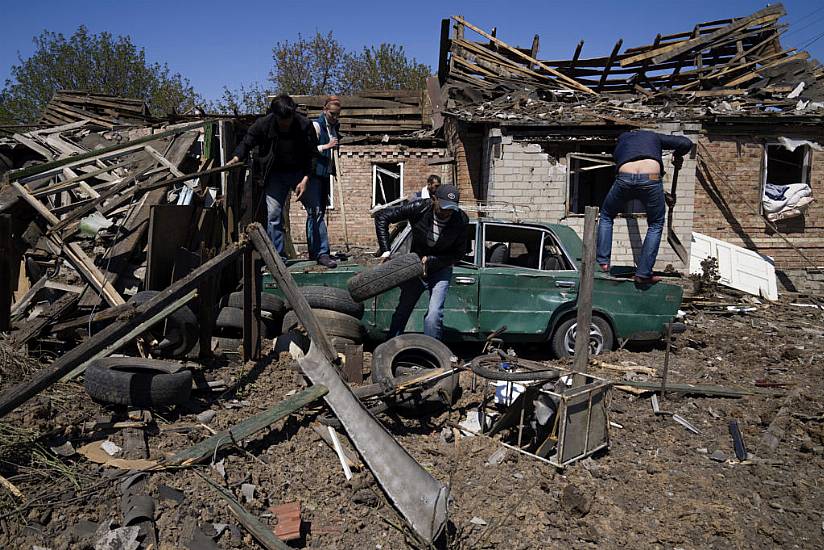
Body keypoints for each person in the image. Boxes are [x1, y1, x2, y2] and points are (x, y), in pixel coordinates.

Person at [228, 94, 327, 264]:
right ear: (275, 116)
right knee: (274, 215)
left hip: (299, 172)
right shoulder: (263, 125)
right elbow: (247, 141)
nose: (285, 124)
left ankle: (322, 253)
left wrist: (305, 179)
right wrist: (237, 157)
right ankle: (278, 259)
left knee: (316, 210)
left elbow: (312, 154)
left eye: (288, 120)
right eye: (282, 121)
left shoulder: (304, 124)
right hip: (275, 175)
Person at [596, 130, 693, 284]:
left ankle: (602, 264)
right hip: (651, 177)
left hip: (624, 177)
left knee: (607, 216)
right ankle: (643, 273)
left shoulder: (622, 139)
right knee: (655, 224)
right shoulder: (653, 136)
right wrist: (678, 154)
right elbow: (686, 143)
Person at [374, 184, 468, 340]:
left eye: (451, 209)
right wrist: (386, 250)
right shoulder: (419, 207)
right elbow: (382, 217)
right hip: (415, 266)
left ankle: (431, 351)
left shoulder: (461, 220)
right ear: (434, 199)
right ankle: (391, 345)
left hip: (441, 268)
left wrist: (432, 260)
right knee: (403, 309)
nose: (447, 212)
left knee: (434, 313)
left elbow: (458, 254)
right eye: (444, 207)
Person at [309, 96, 342, 268]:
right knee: (316, 213)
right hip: (313, 175)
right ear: (324, 110)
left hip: (325, 174)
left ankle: (314, 252)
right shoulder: (316, 126)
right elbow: (308, 149)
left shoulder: (334, 128)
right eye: (332, 114)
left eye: (337, 115)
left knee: (316, 212)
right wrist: (326, 146)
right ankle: (322, 252)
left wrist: (335, 170)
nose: (335, 117)